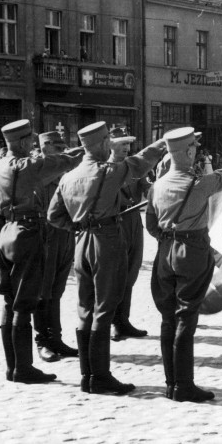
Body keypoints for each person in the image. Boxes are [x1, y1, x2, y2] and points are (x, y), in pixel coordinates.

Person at [145, 127, 222, 402]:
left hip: (165, 253)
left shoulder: (157, 186)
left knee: (167, 318)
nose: (197, 151)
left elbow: (151, 224)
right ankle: (184, 385)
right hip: (192, 251)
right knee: (186, 316)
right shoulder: (198, 182)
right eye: (195, 148)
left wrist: (167, 237)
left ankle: (171, 382)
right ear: (187, 151)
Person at [48, 122, 164, 395]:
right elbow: (140, 162)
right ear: (101, 145)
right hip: (106, 241)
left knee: (85, 308)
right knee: (104, 308)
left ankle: (87, 375)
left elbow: (54, 216)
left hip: (82, 243)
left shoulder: (68, 177)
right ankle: (100, 376)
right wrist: (165, 143)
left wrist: (79, 226)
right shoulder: (107, 172)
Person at [0, 119, 85, 385]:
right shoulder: (26, 166)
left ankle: (12, 367)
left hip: (6, 234)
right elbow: (64, 161)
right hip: (28, 233)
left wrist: (8, 219)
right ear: (25, 142)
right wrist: (90, 148)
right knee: (25, 302)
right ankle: (23, 369)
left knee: (9, 301)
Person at [29, 131, 80, 363]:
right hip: (43, 236)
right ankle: (42, 341)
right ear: (45, 147)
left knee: (56, 290)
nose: (62, 152)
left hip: (64, 234)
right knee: (42, 290)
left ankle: (55, 338)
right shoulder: (36, 169)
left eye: (63, 148)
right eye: (57, 148)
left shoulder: (65, 171)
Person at [109, 127, 152, 341]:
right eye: (122, 143)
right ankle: (113, 322)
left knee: (131, 273)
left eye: (128, 144)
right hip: (115, 222)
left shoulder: (134, 166)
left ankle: (123, 320)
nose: (126, 148)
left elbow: (146, 187)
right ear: (110, 144)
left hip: (134, 221)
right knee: (116, 274)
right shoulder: (105, 168)